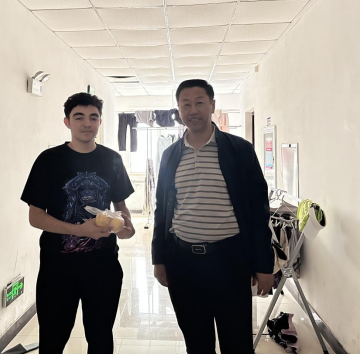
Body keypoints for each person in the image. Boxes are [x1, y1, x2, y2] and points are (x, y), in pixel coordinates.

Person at [152, 80, 274, 354]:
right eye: (186, 104)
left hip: (229, 261)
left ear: (212, 106)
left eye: (199, 102)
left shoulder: (239, 150)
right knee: (196, 343)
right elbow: (163, 208)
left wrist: (264, 264)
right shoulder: (170, 155)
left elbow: (258, 209)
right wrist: (159, 258)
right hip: (183, 263)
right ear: (179, 110)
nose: (193, 110)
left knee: (237, 342)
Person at [21, 93, 135, 354]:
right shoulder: (49, 160)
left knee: (101, 338)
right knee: (53, 339)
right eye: (79, 117)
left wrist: (126, 228)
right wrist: (79, 230)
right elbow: (35, 216)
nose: (87, 123)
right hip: (57, 269)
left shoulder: (112, 159)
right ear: (67, 122)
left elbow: (121, 207)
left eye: (93, 117)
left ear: (100, 122)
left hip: (104, 268)